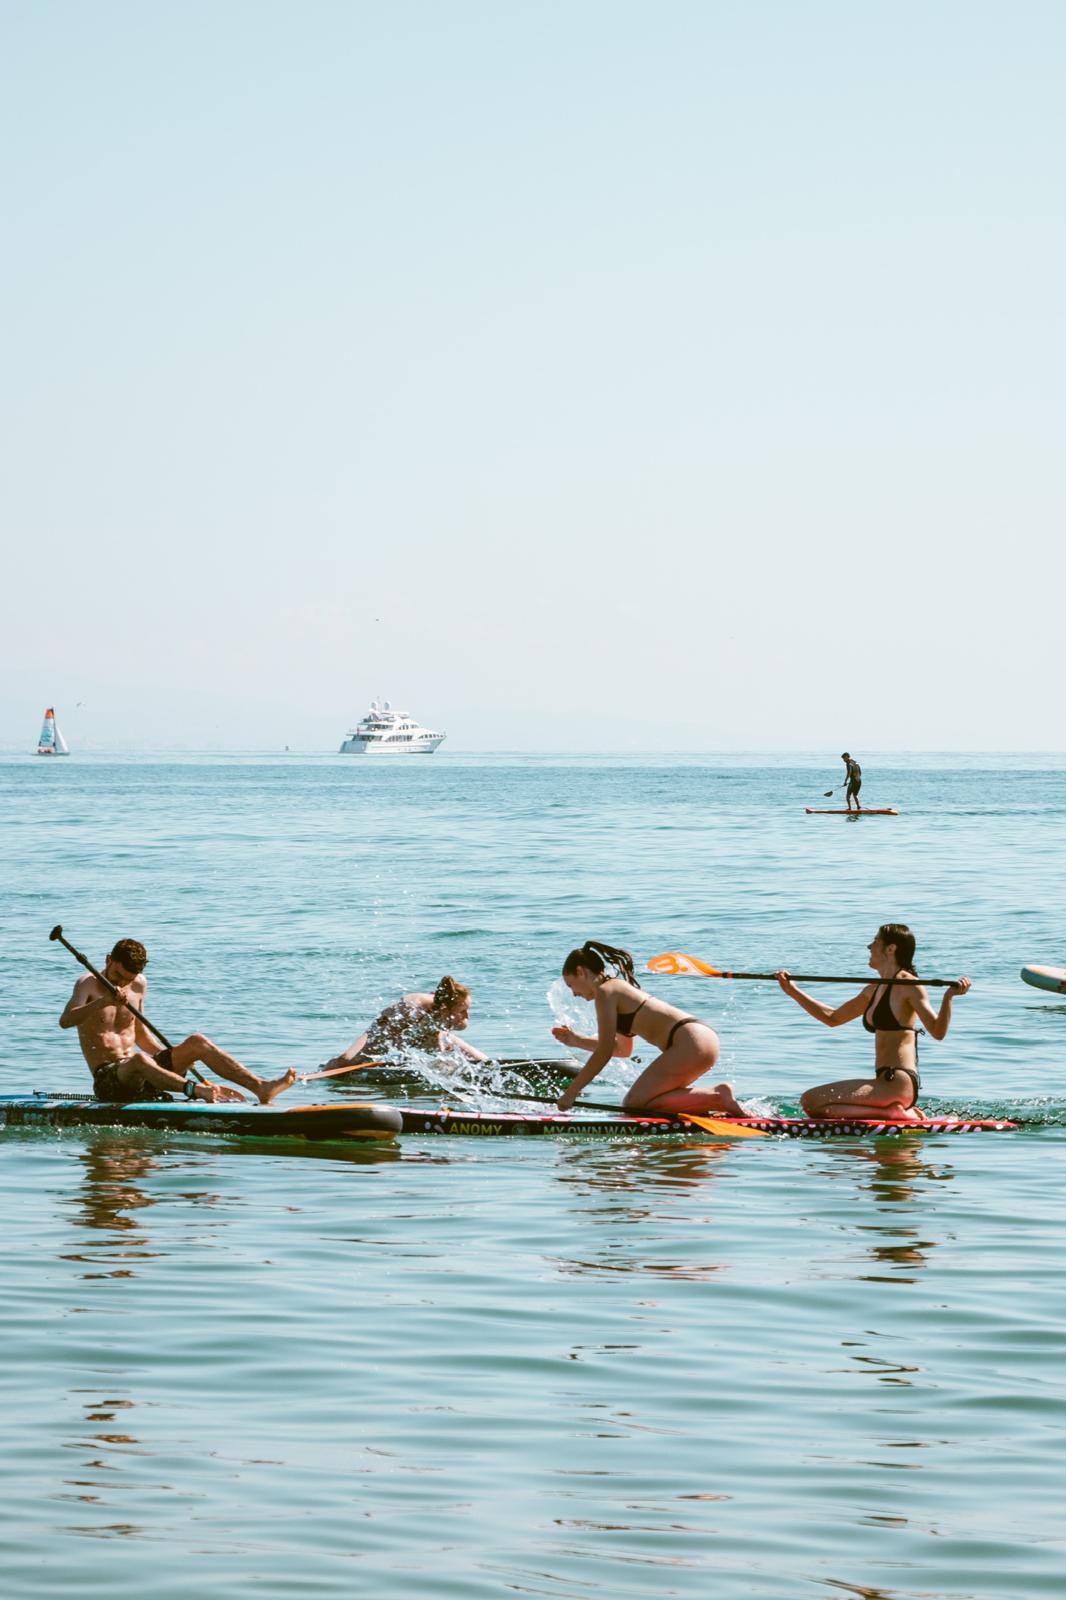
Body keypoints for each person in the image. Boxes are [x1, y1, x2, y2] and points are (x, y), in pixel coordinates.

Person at [60, 937, 297, 1104]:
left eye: (127, 979)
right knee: (140, 1060)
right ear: (108, 959)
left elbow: (141, 1036)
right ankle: (197, 1091)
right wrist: (103, 1003)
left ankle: (261, 1087)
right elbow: (66, 1020)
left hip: (143, 1072)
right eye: (117, 976)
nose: (121, 984)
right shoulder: (87, 984)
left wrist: (176, 1055)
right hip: (109, 1081)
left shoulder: (139, 984)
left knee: (197, 1042)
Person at [775, 923, 971, 1122]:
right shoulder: (873, 989)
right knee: (816, 1105)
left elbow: (938, 1031)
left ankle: (891, 1113)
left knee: (811, 1101)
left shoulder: (910, 986)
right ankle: (890, 1112)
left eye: (875, 941)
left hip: (898, 1082)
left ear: (891, 948)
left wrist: (948, 998)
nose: (869, 947)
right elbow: (832, 1018)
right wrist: (792, 991)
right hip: (883, 1083)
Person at [551, 940, 744, 1116]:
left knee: (633, 1104)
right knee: (641, 1103)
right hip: (699, 1039)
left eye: (571, 985)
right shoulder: (614, 990)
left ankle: (718, 1097)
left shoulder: (606, 992)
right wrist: (576, 1040)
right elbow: (622, 1049)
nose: (574, 993)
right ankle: (710, 1101)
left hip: (690, 1042)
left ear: (581, 972)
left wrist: (572, 1091)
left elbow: (604, 1051)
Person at [322, 975, 489, 1074]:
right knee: (347, 1060)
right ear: (446, 1008)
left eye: (468, 1009)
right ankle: (323, 1072)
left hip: (424, 1033)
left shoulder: (444, 1009)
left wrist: (442, 1052)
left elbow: (447, 1031)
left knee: (481, 1060)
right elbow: (394, 1036)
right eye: (462, 1011)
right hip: (386, 1032)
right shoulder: (413, 1006)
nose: (467, 1016)